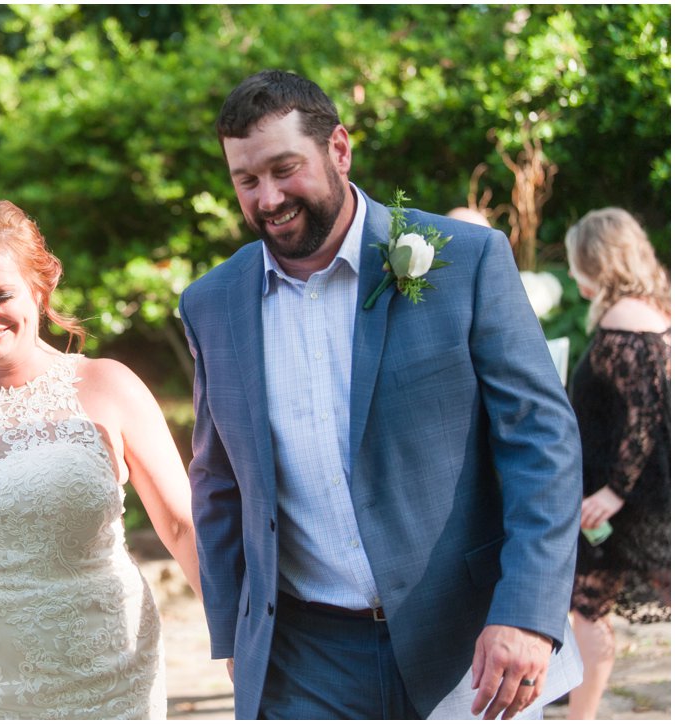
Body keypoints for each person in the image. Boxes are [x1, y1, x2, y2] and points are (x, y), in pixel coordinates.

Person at [178, 69, 584, 720]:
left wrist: (528, 612)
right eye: (246, 180)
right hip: (305, 655)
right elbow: (218, 480)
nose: (268, 197)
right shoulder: (210, 304)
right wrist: (235, 633)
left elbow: (543, 445)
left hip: (468, 640)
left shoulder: (466, 261)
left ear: (339, 149)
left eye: (285, 169)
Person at [0, 197, 201, 719]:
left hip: (98, 685)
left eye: (1, 295)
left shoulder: (107, 387)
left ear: (40, 286)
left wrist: (241, 644)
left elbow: (185, 527)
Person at [562, 208, 671, 719]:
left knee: (587, 606)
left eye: (574, 261)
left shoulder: (625, 317)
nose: (571, 272)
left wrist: (614, 493)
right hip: (628, 495)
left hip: (627, 501)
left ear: (596, 260)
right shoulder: (648, 307)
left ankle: (580, 717)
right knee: (586, 604)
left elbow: (648, 414)